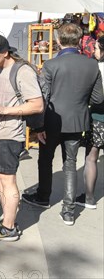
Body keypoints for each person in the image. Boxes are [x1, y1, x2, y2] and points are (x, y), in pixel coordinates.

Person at [22, 24, 103, 226]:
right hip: (77, 121)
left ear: (58, 41)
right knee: (70, 164)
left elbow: (42, 97)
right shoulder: (92, 65)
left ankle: (43, 196)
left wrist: (38, 127)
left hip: (51, 121)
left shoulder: (50, 65)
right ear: (79, 41)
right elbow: (98, 97)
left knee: (45, 160)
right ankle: (68, 211)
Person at [0, 34, 43, 241]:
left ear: (5, 53)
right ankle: (8, 218)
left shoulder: (22, 71)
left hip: (9, 136)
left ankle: (8, 228)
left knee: (8, 180)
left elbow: (37, 104)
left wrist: (5, 109)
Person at [76, 36, 104, 209]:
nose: (94, 51)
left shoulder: (96, 68)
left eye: (96, 48)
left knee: (91, 158)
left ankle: (89, 197)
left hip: (98, 118)